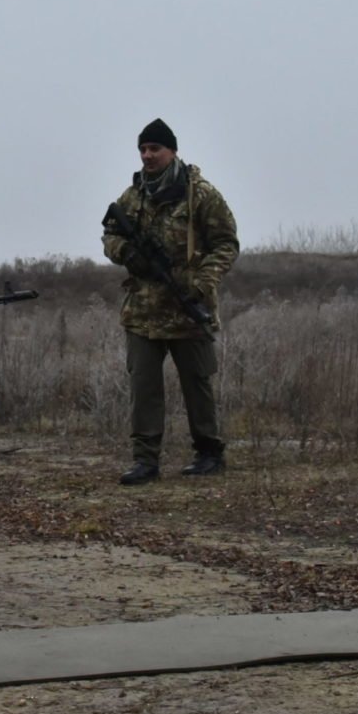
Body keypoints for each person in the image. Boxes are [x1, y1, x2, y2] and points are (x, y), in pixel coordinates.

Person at [101, 118, 239, 485]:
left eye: (155, 149)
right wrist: (128, 253)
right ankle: (145, 461)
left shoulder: (201, 195)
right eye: (143, 149)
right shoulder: (133, 196)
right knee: (144, 388)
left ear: (172, 151)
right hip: (143, 311)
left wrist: (203, 281)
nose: (147, 155)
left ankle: (209, 453)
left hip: (187, 307)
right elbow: (110, 236)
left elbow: (227, 244)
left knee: (197, 383)